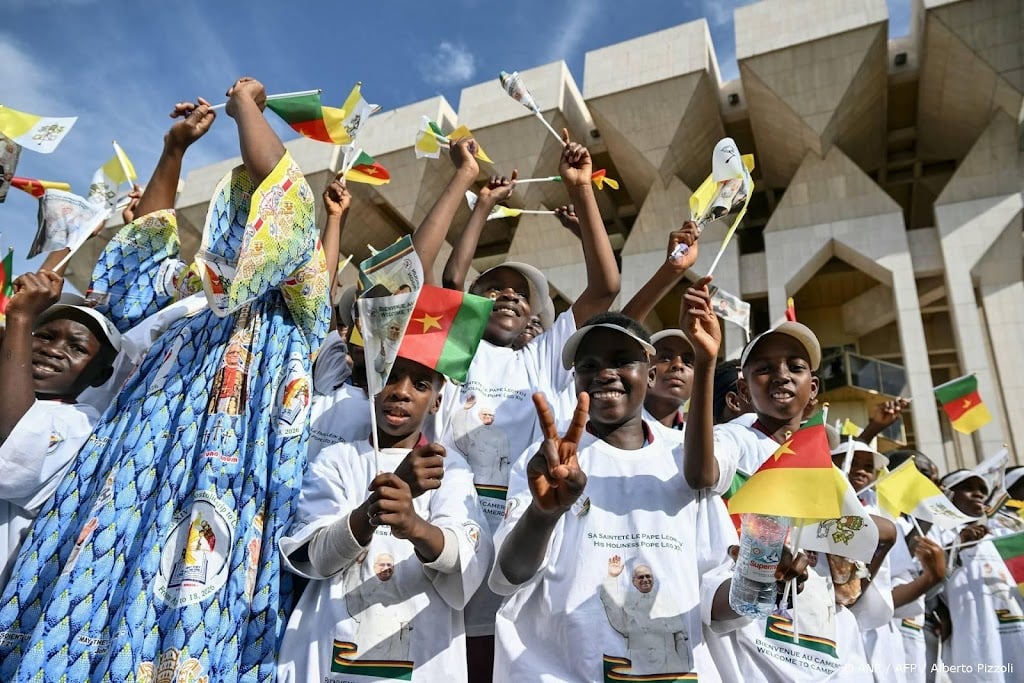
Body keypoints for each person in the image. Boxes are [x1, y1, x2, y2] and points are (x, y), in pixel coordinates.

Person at [0, 78, 330, 680]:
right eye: (230, 228)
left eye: (252, 218)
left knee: (195, 609)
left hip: (229, 478)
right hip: (133, 472)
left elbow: (285, 191)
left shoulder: (297, 297)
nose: (243, 236)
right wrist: (174, 148)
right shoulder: (187, 298)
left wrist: (245, 109)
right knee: (100, 594)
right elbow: (141, 254)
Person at [489, 304, 771, 681]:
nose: (605, 373)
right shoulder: (547, 460)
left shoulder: (682, 458)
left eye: (623, 361)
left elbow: (717, 602)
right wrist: (544, 514)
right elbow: (511, 575)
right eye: (588, 366)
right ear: (574, 380)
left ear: (650, 375)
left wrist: (763, 578)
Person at [277, 354, 491, 682]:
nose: (401, 392)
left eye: (420, 385)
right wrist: (374, 510)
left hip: (419, 656)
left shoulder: (449, 468)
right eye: (390, 377)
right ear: (371, 385)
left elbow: (467, 558)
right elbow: (314, 559)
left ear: (436, 401)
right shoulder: (336, 460)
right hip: (332, 647)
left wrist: (414, 525)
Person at [0, 273, 120, 589]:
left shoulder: (81, 424)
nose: (53, 350)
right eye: (44, 336)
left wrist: (22, 317)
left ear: (100, 375)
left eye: (77, 348)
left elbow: (10, 456)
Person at [936, 470, 1024, 681]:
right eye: (967, 488)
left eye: (983, 490)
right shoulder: (938, 534)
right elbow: (929, 585)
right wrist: (955, 546)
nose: (978, 494)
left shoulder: (1004, 539)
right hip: (975, 643)